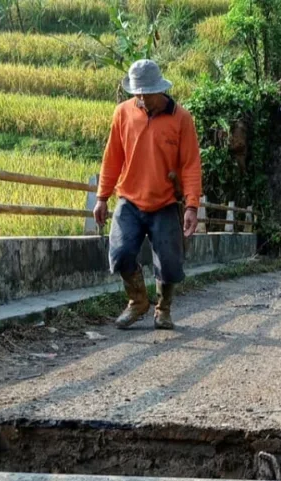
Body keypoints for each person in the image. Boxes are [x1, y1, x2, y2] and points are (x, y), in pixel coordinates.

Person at [93, 59, 202, 330]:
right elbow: (112, 158)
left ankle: (163, 309)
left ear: (160, 89)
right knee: (119, 253)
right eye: (137, 92)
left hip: (165, 202)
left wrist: (191, 206)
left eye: (147, 92)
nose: (141, 97)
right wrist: (102, 197)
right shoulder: (123, 113)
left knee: (169, 262)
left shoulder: (181, 119)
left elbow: (190, 164)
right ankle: (137, 301)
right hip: (129, 199)